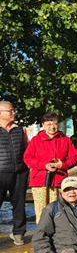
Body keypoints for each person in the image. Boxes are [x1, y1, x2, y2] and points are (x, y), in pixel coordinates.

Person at [24, 111, 77, 225]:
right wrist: (43, 165)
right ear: (43, 125)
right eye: (48, 124)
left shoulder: (65, 139)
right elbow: (27, 157)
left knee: (57, 210)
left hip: (59, 179)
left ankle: (57, 232)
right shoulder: (36, 140)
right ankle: (41, 232)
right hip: (39, 180)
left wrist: (62, 165)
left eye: (55, 124)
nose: (52, 127)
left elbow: (74, 157)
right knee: (41, 210)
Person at [1, 101, 28, 245]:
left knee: (19, 203)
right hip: (1, 172)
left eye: (13, 110)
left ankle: (18, 233)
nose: (14, 113)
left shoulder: (20, 130)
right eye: (10, 111)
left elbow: (27, 149)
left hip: (19, 172)